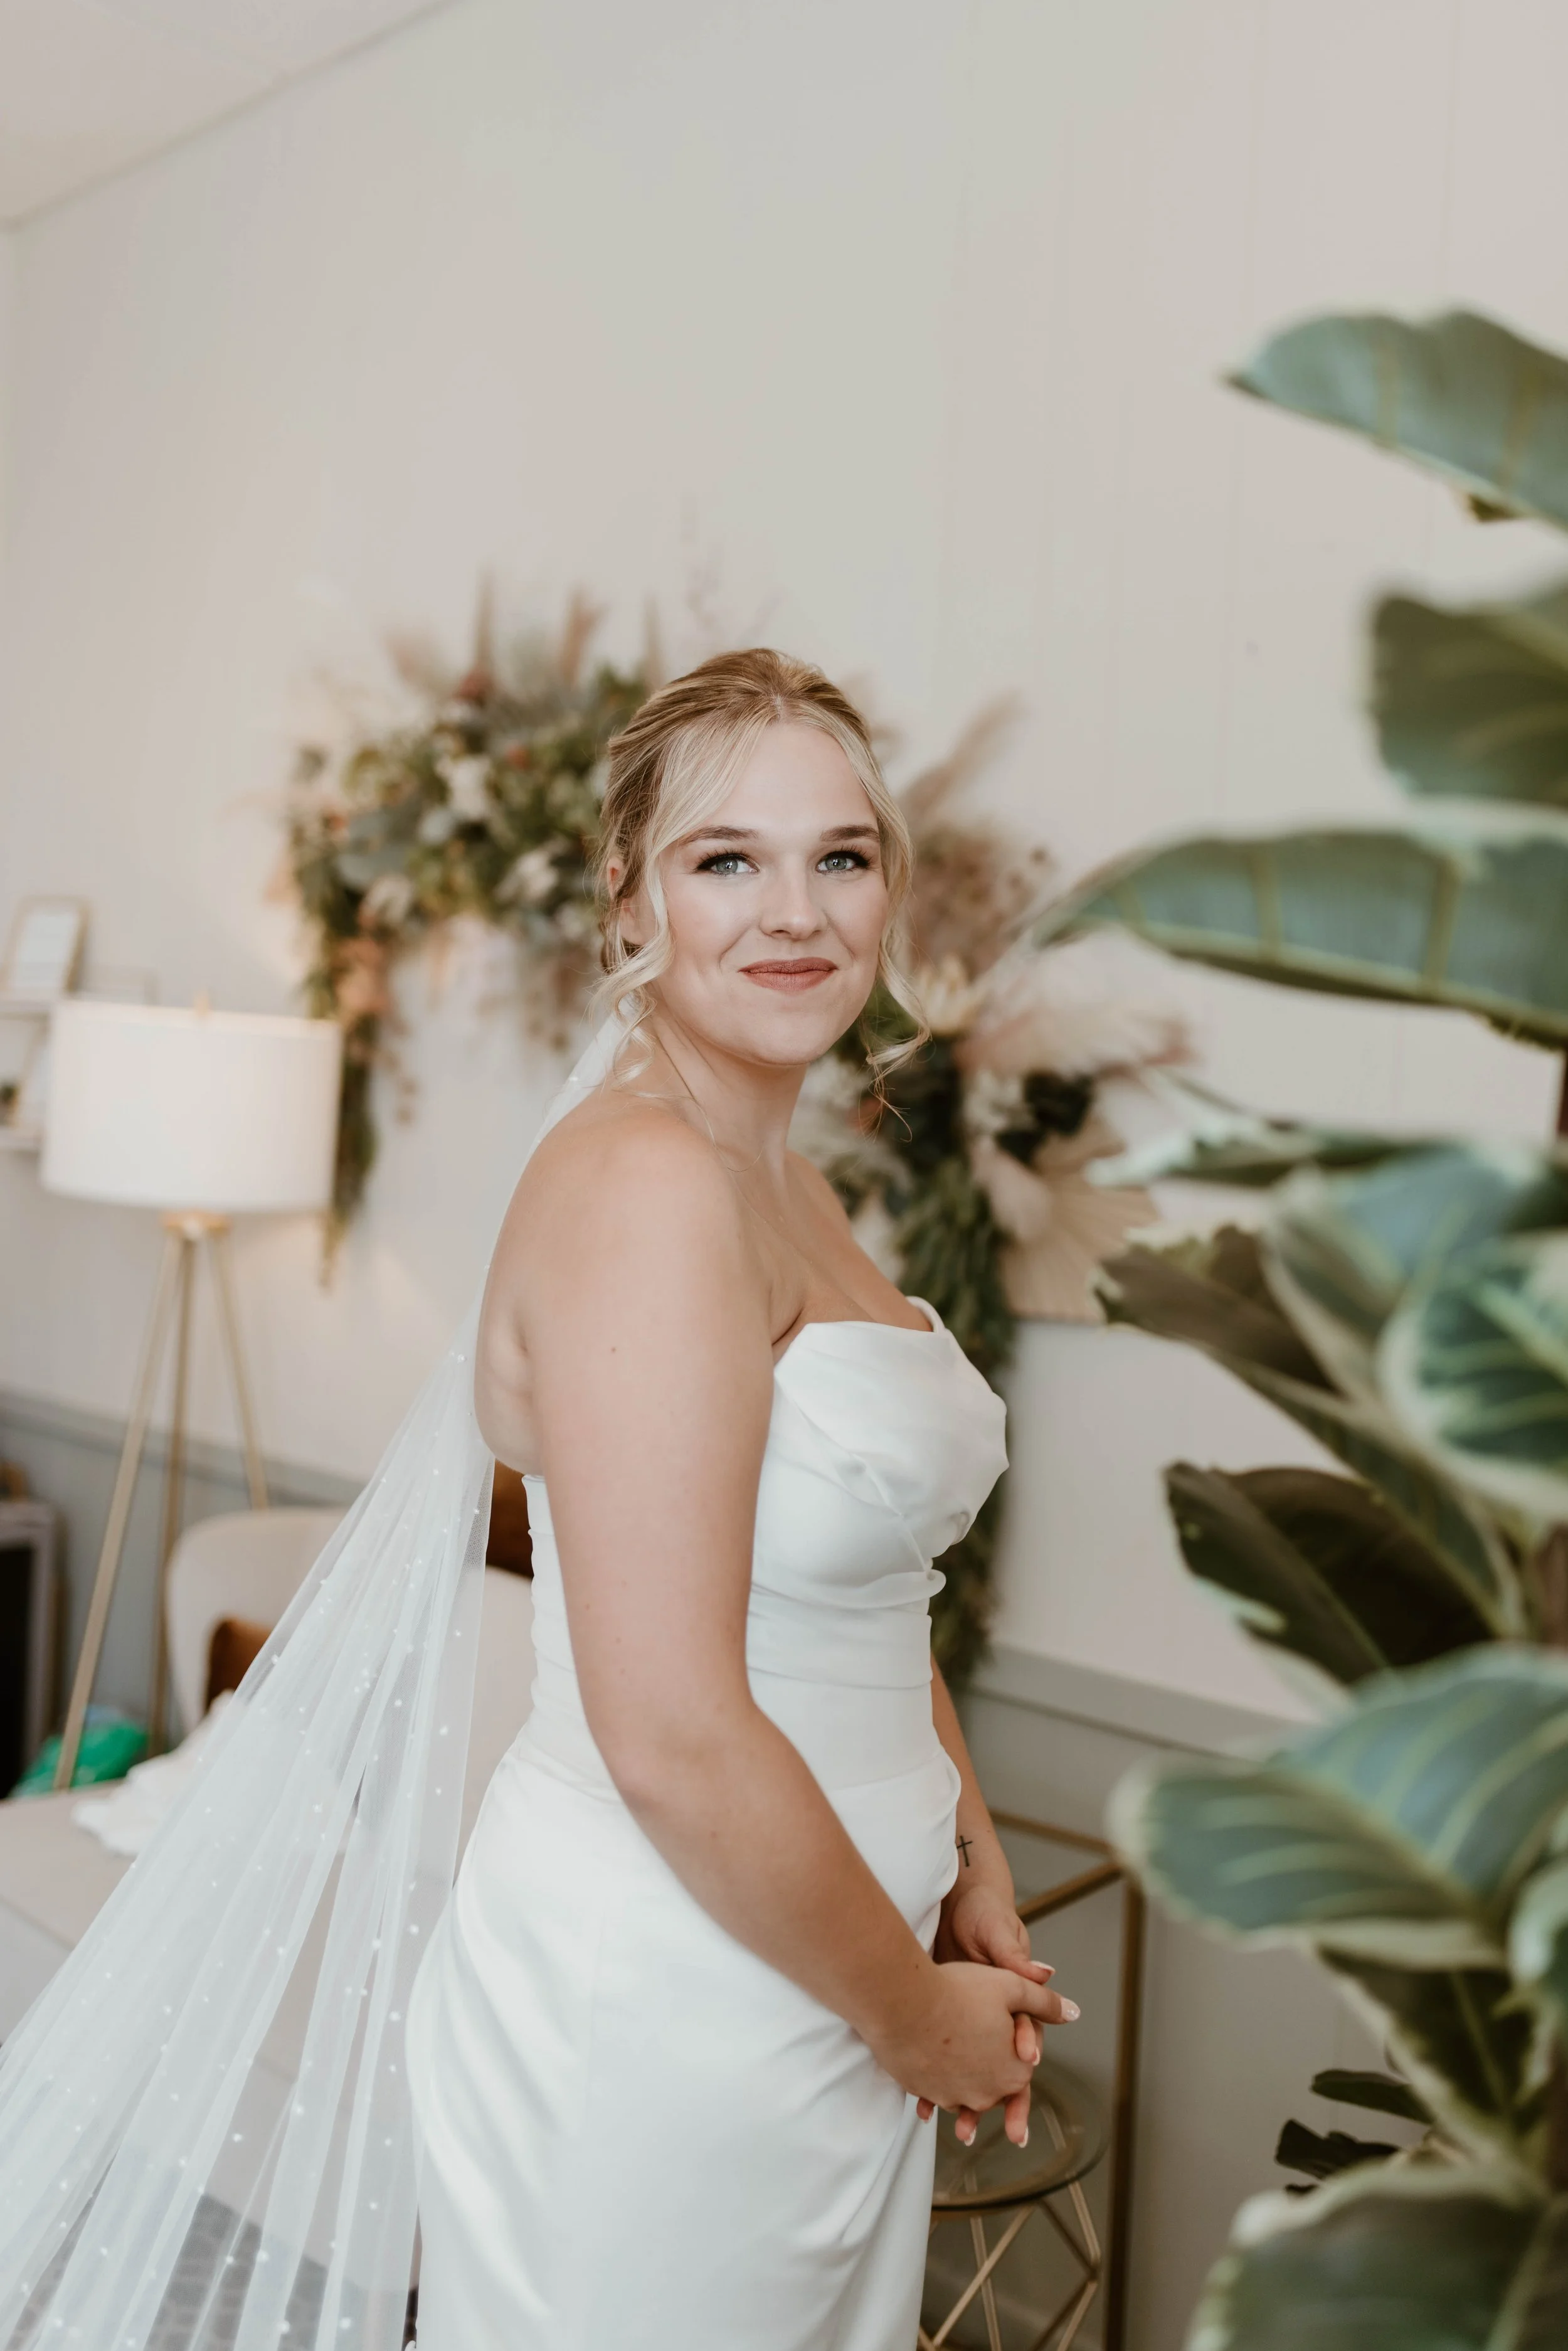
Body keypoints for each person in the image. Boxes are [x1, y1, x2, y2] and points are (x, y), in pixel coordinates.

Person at [405, 650, 1077, 2348]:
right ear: (632, 895)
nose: (796, 910)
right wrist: (910, 2014)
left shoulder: (782, 1174)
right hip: (671, 1989)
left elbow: (859, 1582)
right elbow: (673, 1731)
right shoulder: (642, 1184)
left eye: (839, 856)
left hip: (829, 1954)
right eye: (728, 860)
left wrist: (967, 1858)